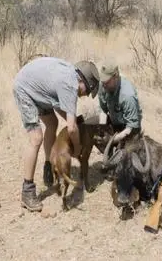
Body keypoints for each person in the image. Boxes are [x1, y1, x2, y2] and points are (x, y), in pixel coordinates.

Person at [13, 56, 100, 212]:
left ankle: (48, 167)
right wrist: (78, 147)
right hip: (25, 89)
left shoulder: (71, 75)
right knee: (36, 138)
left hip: (38, 90)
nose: (85, 95)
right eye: (87, 91)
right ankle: (27, 191)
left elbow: (65, 113)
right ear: (83, 82)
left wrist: (73, 121)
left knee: (52, 123)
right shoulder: (70, 86)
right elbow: (72, 128)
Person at [97, 61, 143, 160]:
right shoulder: (103, 85)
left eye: (107, 81)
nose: (104, 85)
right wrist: (102, 130)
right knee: (94, 132)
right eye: (103, 81)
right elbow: (103, 110)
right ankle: (109, 154)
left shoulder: (127, 95)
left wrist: (111, 140)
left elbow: (131, 127)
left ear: (116, 76)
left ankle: (118, 151)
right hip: (114, 122)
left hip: (129, 129)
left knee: (127, 157)